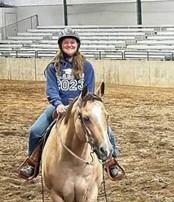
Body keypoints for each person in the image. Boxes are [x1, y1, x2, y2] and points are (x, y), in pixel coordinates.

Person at [18, 28, 125, 181]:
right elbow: (52, 89)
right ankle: (33, 162)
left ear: (77, 45)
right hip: (59, 106)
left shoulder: (86, 66)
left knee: (107, 132)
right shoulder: (52, 67)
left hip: (81, 106)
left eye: (72, 42)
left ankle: (111, 161)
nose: (69, 45)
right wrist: (58, 104)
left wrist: (80, 105)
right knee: (35, 131)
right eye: (66, 42)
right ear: (61, 45)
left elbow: (88, 89)